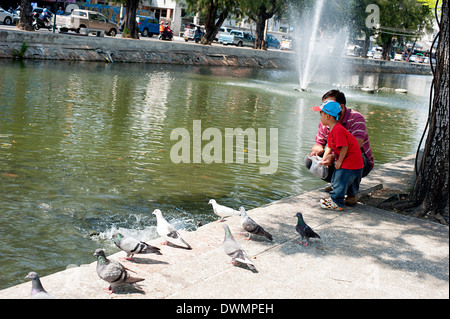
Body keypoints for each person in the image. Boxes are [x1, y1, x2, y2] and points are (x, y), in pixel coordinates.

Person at [305, 89, 374, 206]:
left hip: (359, 160)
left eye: (324, 110)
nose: (321, 113)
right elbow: (321, 144)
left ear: (341, 107)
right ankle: (337, 186)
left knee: (354, 159)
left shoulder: (355, 119)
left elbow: (355, 146)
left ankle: (344, 196)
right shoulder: (327, 124)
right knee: (310, 161)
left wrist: (335, 158)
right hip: (340, 156)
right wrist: (317, 153)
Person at [312, 100, 364, 211]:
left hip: (351, 161)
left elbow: (344, 147)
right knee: (342, 179)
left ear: (327, 116)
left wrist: (339, 161)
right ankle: (341, 198)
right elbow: (329, 146)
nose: (320, 118)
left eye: (321, 115)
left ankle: (337, 202)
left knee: (339, 180)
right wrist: (324, 158)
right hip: (354, 162)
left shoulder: (338, 130)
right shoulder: (332, 130)